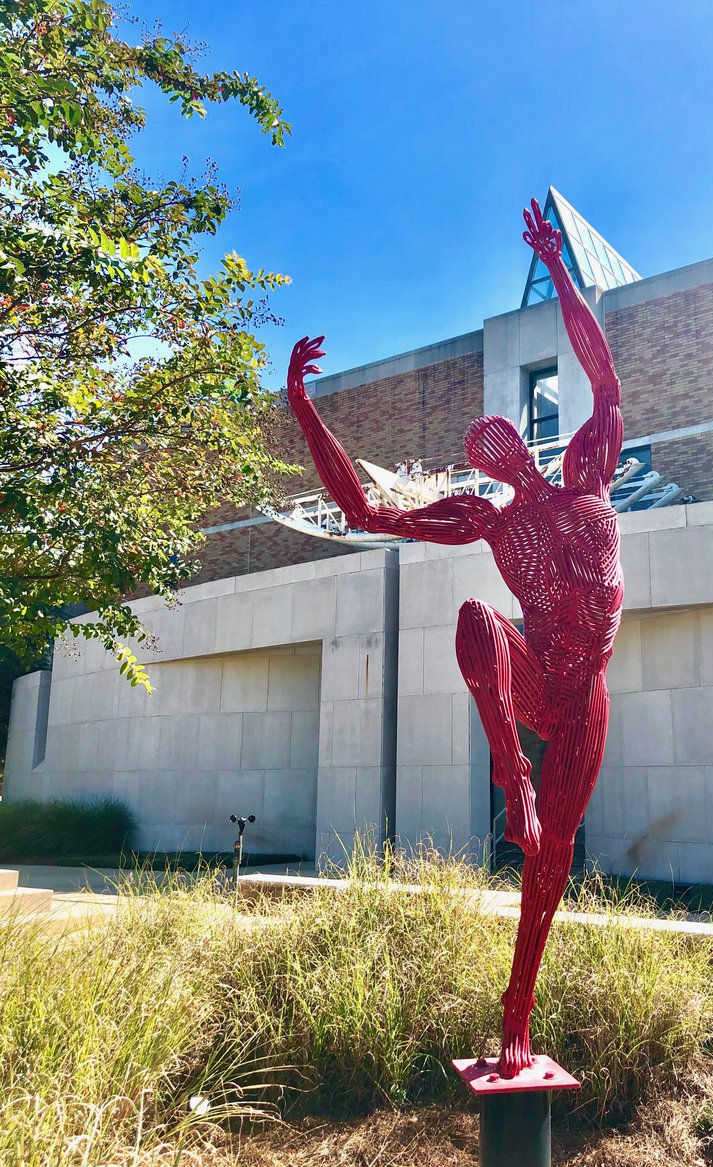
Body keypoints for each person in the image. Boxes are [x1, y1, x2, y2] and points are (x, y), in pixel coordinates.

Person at [287, 199, 624, 1078]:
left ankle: (518, 1013)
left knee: (548, 865)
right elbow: (365, 511)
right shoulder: (491, 523)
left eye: (500, 434)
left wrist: (555, 268)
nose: (495, 447)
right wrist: (303, 408)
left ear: (522, 437)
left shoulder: (588, 470)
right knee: (477, 617)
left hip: (585, 690)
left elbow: (604, 377)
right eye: (482, 448)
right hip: (537, 676)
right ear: (485, 468)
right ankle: (511, 774)